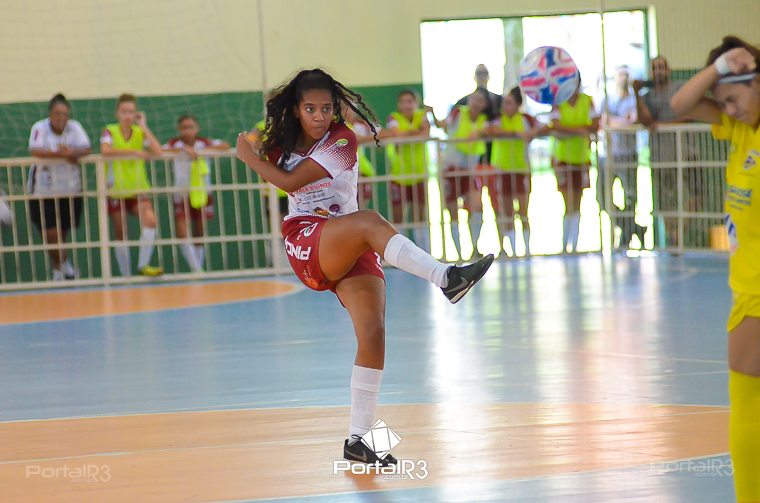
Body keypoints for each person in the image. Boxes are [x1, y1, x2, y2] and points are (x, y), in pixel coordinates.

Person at [235, 68, 494, 467]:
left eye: (326, 108)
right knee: (370, 221)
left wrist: (249, 158)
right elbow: (282, 175)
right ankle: (447, 277)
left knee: (373, 333)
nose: (320, 116)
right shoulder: (282, 142)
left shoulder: (342, 139)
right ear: (296, 109)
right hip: (307, 237)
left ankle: (359, 440)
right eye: (310, 108)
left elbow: (290, 180)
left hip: (348, 241)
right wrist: (255, 147)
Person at [670, 36, 760, 503]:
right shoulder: (740, 130)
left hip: (757, 295)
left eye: (733, 97)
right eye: (721, 101)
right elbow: (680, 104)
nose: (728, 109)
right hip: (747, 289)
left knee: (746, 401)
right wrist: (721, 67)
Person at [28, 93, 91, 280]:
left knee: (62, 234)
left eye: (65, 114)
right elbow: (36, 150)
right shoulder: (39, 127)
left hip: (69, 188)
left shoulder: (75, 127)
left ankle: (58, 272)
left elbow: (86, 149)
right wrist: (62, 154)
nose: (62, 118)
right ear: (50, 114)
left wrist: (72, 152)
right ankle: (67, 267)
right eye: (57, 114)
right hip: (43, 190)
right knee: (50, 233)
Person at [100, 94, 164, 277]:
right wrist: (134, 152)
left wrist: (144, 126)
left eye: (131, 112)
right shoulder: (109, 130)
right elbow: (105, 150)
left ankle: (143, 265)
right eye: (124, 111)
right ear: (117, 113)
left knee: (150, 221)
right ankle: (126, 274)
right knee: (121, 231)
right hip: (116, 189)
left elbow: (158, 151)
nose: (128, 115)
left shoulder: (139, 132)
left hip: (137, 189)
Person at [633, 56, 692, 248]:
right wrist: (637, 94)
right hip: (661, 155)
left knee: (696, 194)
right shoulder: (647, 96)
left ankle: (680, 232)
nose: (658, 71)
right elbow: (646, 121)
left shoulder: (680, 88)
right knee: (666, 199)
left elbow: (688, 116)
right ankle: (672, 236)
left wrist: (663, 125)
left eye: (662, 67)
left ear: (669, 70)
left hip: (686, 151)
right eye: (654, 68)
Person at [162, 115, 229, 272]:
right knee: (182, 231)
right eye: (184, 127)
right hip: (182, 193)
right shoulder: (174, 143)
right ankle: (197, 270)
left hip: (202, 192)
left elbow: (225, 145)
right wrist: (184, 151)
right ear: (179, 129)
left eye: (191, 127)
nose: (188, 131)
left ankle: (198, 267)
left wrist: (199, 152)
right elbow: (159, 150)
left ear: (197, 128)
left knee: (199, 230)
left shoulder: (203, 143)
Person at [485, 87, 538, 257]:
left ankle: (527, 249)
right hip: (502, 170)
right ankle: (513, 250)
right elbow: (490, 130)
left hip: (521, 169)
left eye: (509, 103)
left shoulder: (525, 119)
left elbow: (542, 127)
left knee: (523, 211)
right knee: (507, 211)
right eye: (504, 102)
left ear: (517, 105)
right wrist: (515, 133)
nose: (504, 106)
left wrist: (531, 133)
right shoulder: (498, 121)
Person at [549, 82, 600, 253]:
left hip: (581, 158)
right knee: (568, 201)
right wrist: (580, 130)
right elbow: (555, 125)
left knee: (577, 201)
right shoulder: (558, 102)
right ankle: (565, 244)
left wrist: (569, 130)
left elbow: (595, 124)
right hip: (563, 158)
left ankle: (574, 244)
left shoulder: (587, 100)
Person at [600, 66, 646, 250]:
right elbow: (604, 122)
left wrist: (615, 121)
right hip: (608, 155)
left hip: (628, 154)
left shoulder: (634, 101)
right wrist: (622, 121)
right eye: (620, 74)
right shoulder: (607, 100)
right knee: (602, 197)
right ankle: (634, 228)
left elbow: (633, 122)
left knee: (630, 197)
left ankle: (626, 238)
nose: (624, 78)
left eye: (627, 74)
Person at [443, 88, 490, 258]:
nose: (476, 103)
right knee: (453, 212)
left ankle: (475, 247)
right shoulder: (457, 113)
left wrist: (478, 132)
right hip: (450, 168)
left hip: (469, 170)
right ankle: (459, 254)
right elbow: (444, 125)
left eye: (480, 100)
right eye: (474, 99)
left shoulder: (483, 121)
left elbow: (489, 130)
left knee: (477, 206)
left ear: (484, 104)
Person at [386, 89, 430, 248]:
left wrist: (408, 133)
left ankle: (423, 253)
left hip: (419, 174)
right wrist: (415, 131)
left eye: (410, 101)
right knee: (399, 218)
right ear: (399, 104)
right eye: (403, 102)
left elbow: (425, 134)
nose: (407, 105)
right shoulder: (393, 117)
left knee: (419, 218)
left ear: (416, 103)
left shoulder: (421, 115)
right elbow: (395, 134)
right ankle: (401, 253)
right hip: (399, 175)